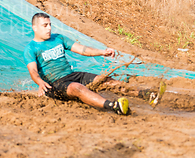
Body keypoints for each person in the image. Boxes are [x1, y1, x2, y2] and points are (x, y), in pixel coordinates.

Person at [25, 13, 165, 115]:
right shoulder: (31, 48)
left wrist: (102, 52)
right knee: (77, 88)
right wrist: (39, 82)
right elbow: (33, 71)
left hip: (72, 75)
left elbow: (82, 49)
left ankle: (147, 96)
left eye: (50, 25)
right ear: (35, 28)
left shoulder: (58, 38)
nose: (49, 28)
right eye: (45, 25)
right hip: (54, 84)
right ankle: (114, 106)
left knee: (105, 81)